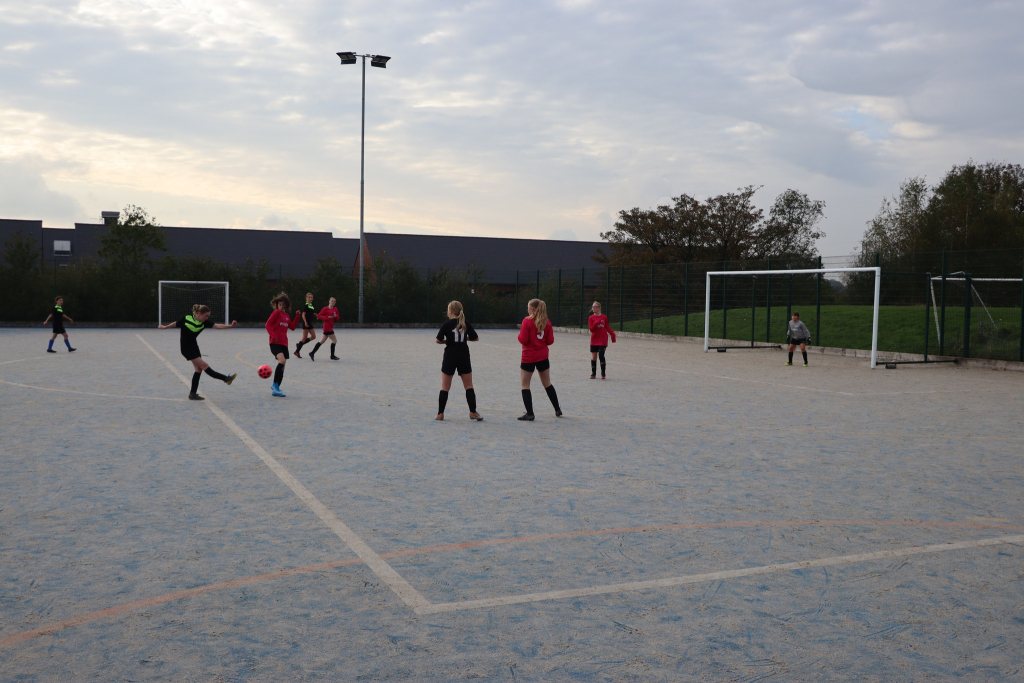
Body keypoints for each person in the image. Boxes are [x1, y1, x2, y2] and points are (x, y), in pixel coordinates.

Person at [157, 304, 238, 400]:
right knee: (204, 366)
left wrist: (230, 326)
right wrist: (165, 327)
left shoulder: (204, 323)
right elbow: (176, 323)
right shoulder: (187, 318)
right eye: (206, 315)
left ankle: (192, 394)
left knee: (199, 369)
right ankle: (225, 378)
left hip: (194, 347)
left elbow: (217, 326)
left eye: (208, 316)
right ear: (199, 313)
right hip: (186, 349)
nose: (207, 318)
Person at [434, 301, 482, 421]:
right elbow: (475, 338)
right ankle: (473, 412)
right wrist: (465, 338)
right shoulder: (465, 323)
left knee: (445, 386)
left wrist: (448, 341)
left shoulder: (446, 324)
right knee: (468, 385)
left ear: (450, 311)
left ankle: (440, 414)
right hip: (463, 356)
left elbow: (438, 340)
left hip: (450, 357)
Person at [517, 298, 562, 421]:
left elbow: (524, 340)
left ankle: (530, 413)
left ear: (532, 309)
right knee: (547, 383)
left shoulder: (527, 321)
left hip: (529, 357)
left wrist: (519, 336)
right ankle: (557, 409)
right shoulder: (547, 322)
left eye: (528, 307)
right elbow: (550, 341)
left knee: (525, 384)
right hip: (542, 356)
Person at [266, 293, 298, 397]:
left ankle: (277, 388)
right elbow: (268, 324)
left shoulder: (287, 316)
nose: (281, 306)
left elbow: (292, 327)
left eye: (283, 304)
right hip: (275, 342)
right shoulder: (276, 313)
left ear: (286, 305)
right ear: (277, 305)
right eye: (279, 304)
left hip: (284, 343)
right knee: (282, 361)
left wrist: (297, 317)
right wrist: (273, 335)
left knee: (283, 366)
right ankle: (274, 385)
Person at [587, 301, 616, 379]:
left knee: (601, 355)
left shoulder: (604, 317)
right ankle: (593, 373)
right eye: (593, 307)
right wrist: (596, 323)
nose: (594, 308)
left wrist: (612, 334)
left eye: (596, 307)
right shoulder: (591, 318)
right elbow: (591, 329)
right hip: (594, 339)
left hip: (602, 339)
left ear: (600, 308)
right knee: (594, 357)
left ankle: (603, 373)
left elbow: (607, 327)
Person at [308, 296, 341, 361]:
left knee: (321, 341)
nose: (333, 302)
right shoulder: (325, 309)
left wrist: (336, 316)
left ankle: (312, 353)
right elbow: (319, 315)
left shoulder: (335, 309)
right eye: (332, 301)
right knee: (334, 341)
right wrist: (326, 317)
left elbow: (338, 318)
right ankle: (332, 356)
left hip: (330, 327)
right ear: (329, 301)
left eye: (334, 302)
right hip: (327, 328)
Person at [293, 292, 317, 358]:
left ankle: (299, 344)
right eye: (309, 297)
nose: (310, 298)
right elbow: (303, 314)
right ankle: (297, 351)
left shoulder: (311, 305)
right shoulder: (306, 305)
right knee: (304, 338)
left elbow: (309, 313)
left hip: (309, 323)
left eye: (311, 297)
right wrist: (305, 322)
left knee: (313, 336)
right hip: (306, 323)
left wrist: (314, 314)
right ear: (306, 298)